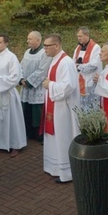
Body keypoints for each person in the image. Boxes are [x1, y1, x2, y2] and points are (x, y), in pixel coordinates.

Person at [42, 34, 80, 183]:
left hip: (63, 109)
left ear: (56, 46)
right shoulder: (54, 61)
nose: (44, 49)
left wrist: (49, 85)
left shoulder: (66, 62)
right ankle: (55, 168)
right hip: (55, 107)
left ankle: (67, 173)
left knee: (63, 137)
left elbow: (68, 86)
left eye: (47, 46)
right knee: (55, 137)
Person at [0, 33, 27, 157]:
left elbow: (15, 77)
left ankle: (16, 145)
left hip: (8, 93)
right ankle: (1, 144)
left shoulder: (11, 57)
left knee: (12, 120)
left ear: (6, 43)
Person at [20, 31, 51, 143]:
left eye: (30, 39)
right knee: (26, 110)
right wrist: (21, 79)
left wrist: (29, 82)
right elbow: (21, 66)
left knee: (37, 112)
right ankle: (28, 132)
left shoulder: (44, 53)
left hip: (37, 88)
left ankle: (39, 134)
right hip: (26, 87)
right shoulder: (27, 52)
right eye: (28, 38)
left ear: (38, 40)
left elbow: (42, 70)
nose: (27, 41)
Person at [72, 26, 102, 110]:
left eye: (80, 36)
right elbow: (73, 61)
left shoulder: (96, 48)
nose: (79, 38)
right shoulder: (78, 48)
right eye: (78, 36)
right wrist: (76, 66)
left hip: (90, 81)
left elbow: (93, 65)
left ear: (87, 35)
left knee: (91, 107)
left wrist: (79, 66)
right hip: (79, 81)